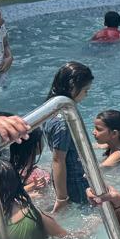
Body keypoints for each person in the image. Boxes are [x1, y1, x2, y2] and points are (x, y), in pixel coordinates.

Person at [44, 61, 94, 212]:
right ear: (72, 87)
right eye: (85, 90)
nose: (87, 95)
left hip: (68, 179)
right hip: (75, 181)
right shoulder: (63, 121)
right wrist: (61, 198)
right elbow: (58, 159)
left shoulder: (50, 108)